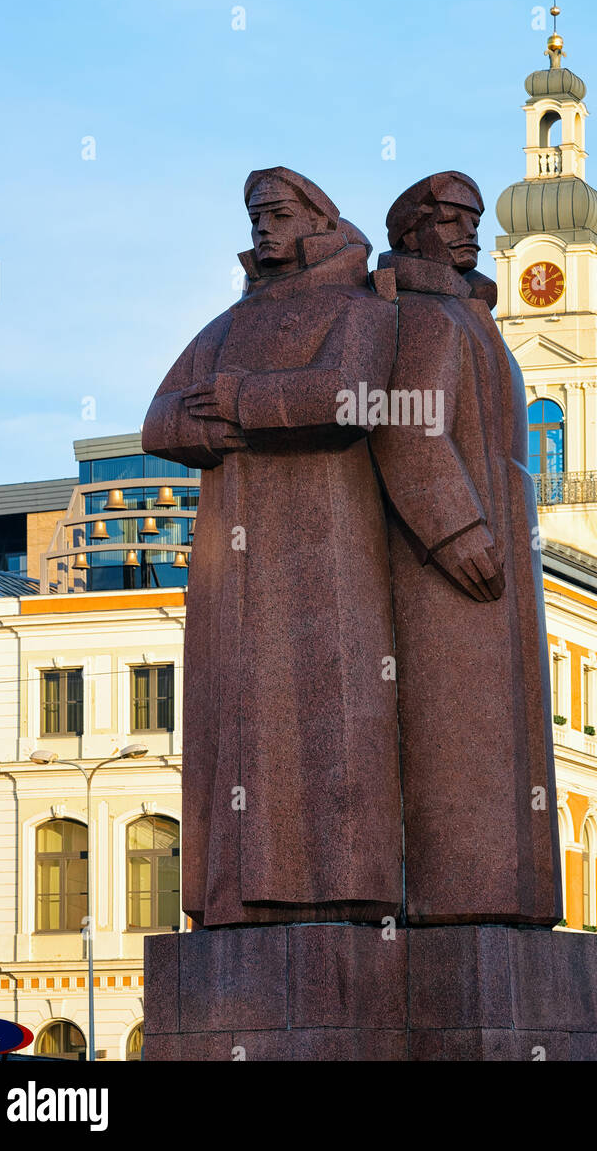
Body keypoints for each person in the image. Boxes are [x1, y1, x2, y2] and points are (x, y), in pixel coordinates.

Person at [143, 167, 403, 926]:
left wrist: (238, 400)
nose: (263, 227)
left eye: (278, 213)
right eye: (255, 214)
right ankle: (234, 896)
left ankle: (337, 885)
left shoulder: (357, 306)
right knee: (238, 714)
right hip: (233, 548)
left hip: (330, 540)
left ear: (317, 221)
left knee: (332, 702)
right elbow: (159, 418)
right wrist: (214, 427)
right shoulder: (228, 322)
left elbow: (352, 395)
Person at [369, 171, 562, 924]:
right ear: (412, 231)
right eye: (450, 218)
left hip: (498, 553)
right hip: (451, 569)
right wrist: (456, 529)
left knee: (499, 737)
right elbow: (408, 428)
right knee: (462, 734)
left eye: (473, 219)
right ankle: (465, 900)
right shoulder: (424, 317)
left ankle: (506, 902)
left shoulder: (467, 315)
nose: (468, 232)